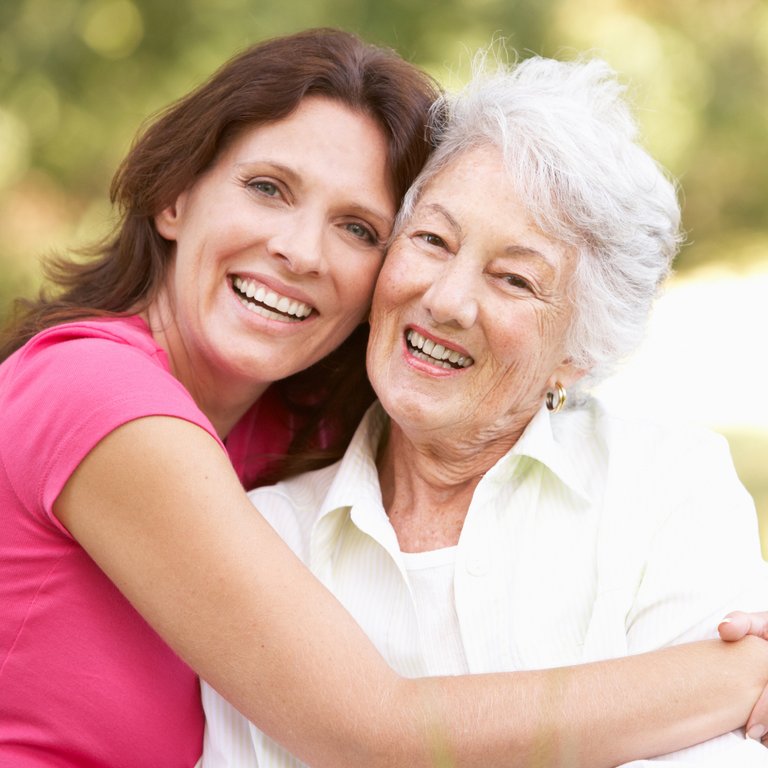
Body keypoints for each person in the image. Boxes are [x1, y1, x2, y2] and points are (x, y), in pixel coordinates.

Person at [0, 26, 766, 768]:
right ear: (174, 196)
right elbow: (371, 734)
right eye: (268, 188)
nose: (300, 250)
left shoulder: (289, 427)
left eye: (358, 228)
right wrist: (733, 676)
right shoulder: (96, 396)